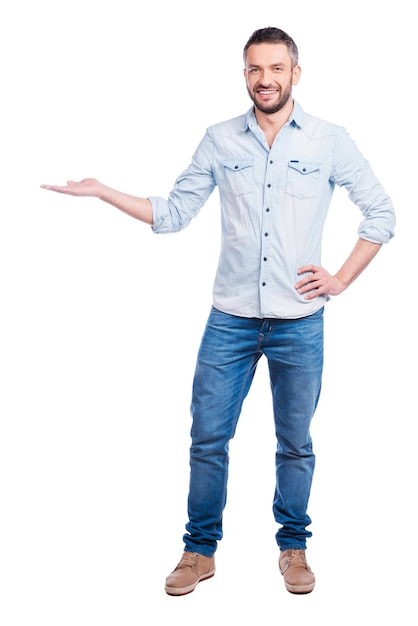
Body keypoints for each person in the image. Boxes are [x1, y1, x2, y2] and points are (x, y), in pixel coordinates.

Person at [41, 26, 395, 596]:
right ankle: (198, 551)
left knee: (296, 442)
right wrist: (106, 191)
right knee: (207, 438)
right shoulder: (219, 139)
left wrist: (340, 278)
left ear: (295, 74)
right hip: (228, 319)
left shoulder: (330, 141)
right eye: (255, 69)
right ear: (245, 74)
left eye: (276, 68)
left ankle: (294, 547)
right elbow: (174, 213)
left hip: (300, 323)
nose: (265, 79)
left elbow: (381, 214)